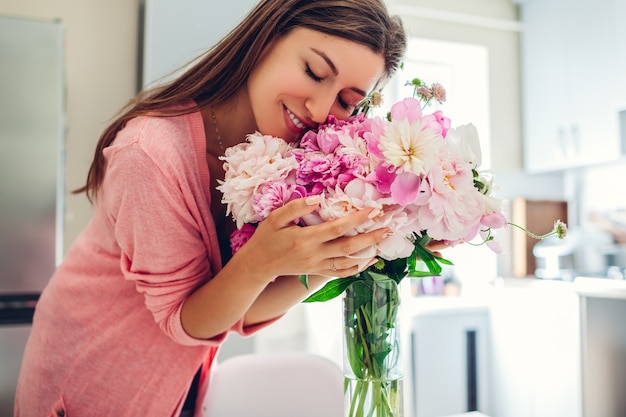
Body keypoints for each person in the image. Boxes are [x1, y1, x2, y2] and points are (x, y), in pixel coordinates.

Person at [14, 0, 408, 416]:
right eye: (313, 72)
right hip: (93, 377)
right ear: (265, 38)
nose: (318, 110)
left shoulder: (291, 159)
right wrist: (266, 264)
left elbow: (235, 309)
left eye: (347, 100)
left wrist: (349, 253)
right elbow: (186, 320)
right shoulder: (149, 153)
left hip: (179, 384)